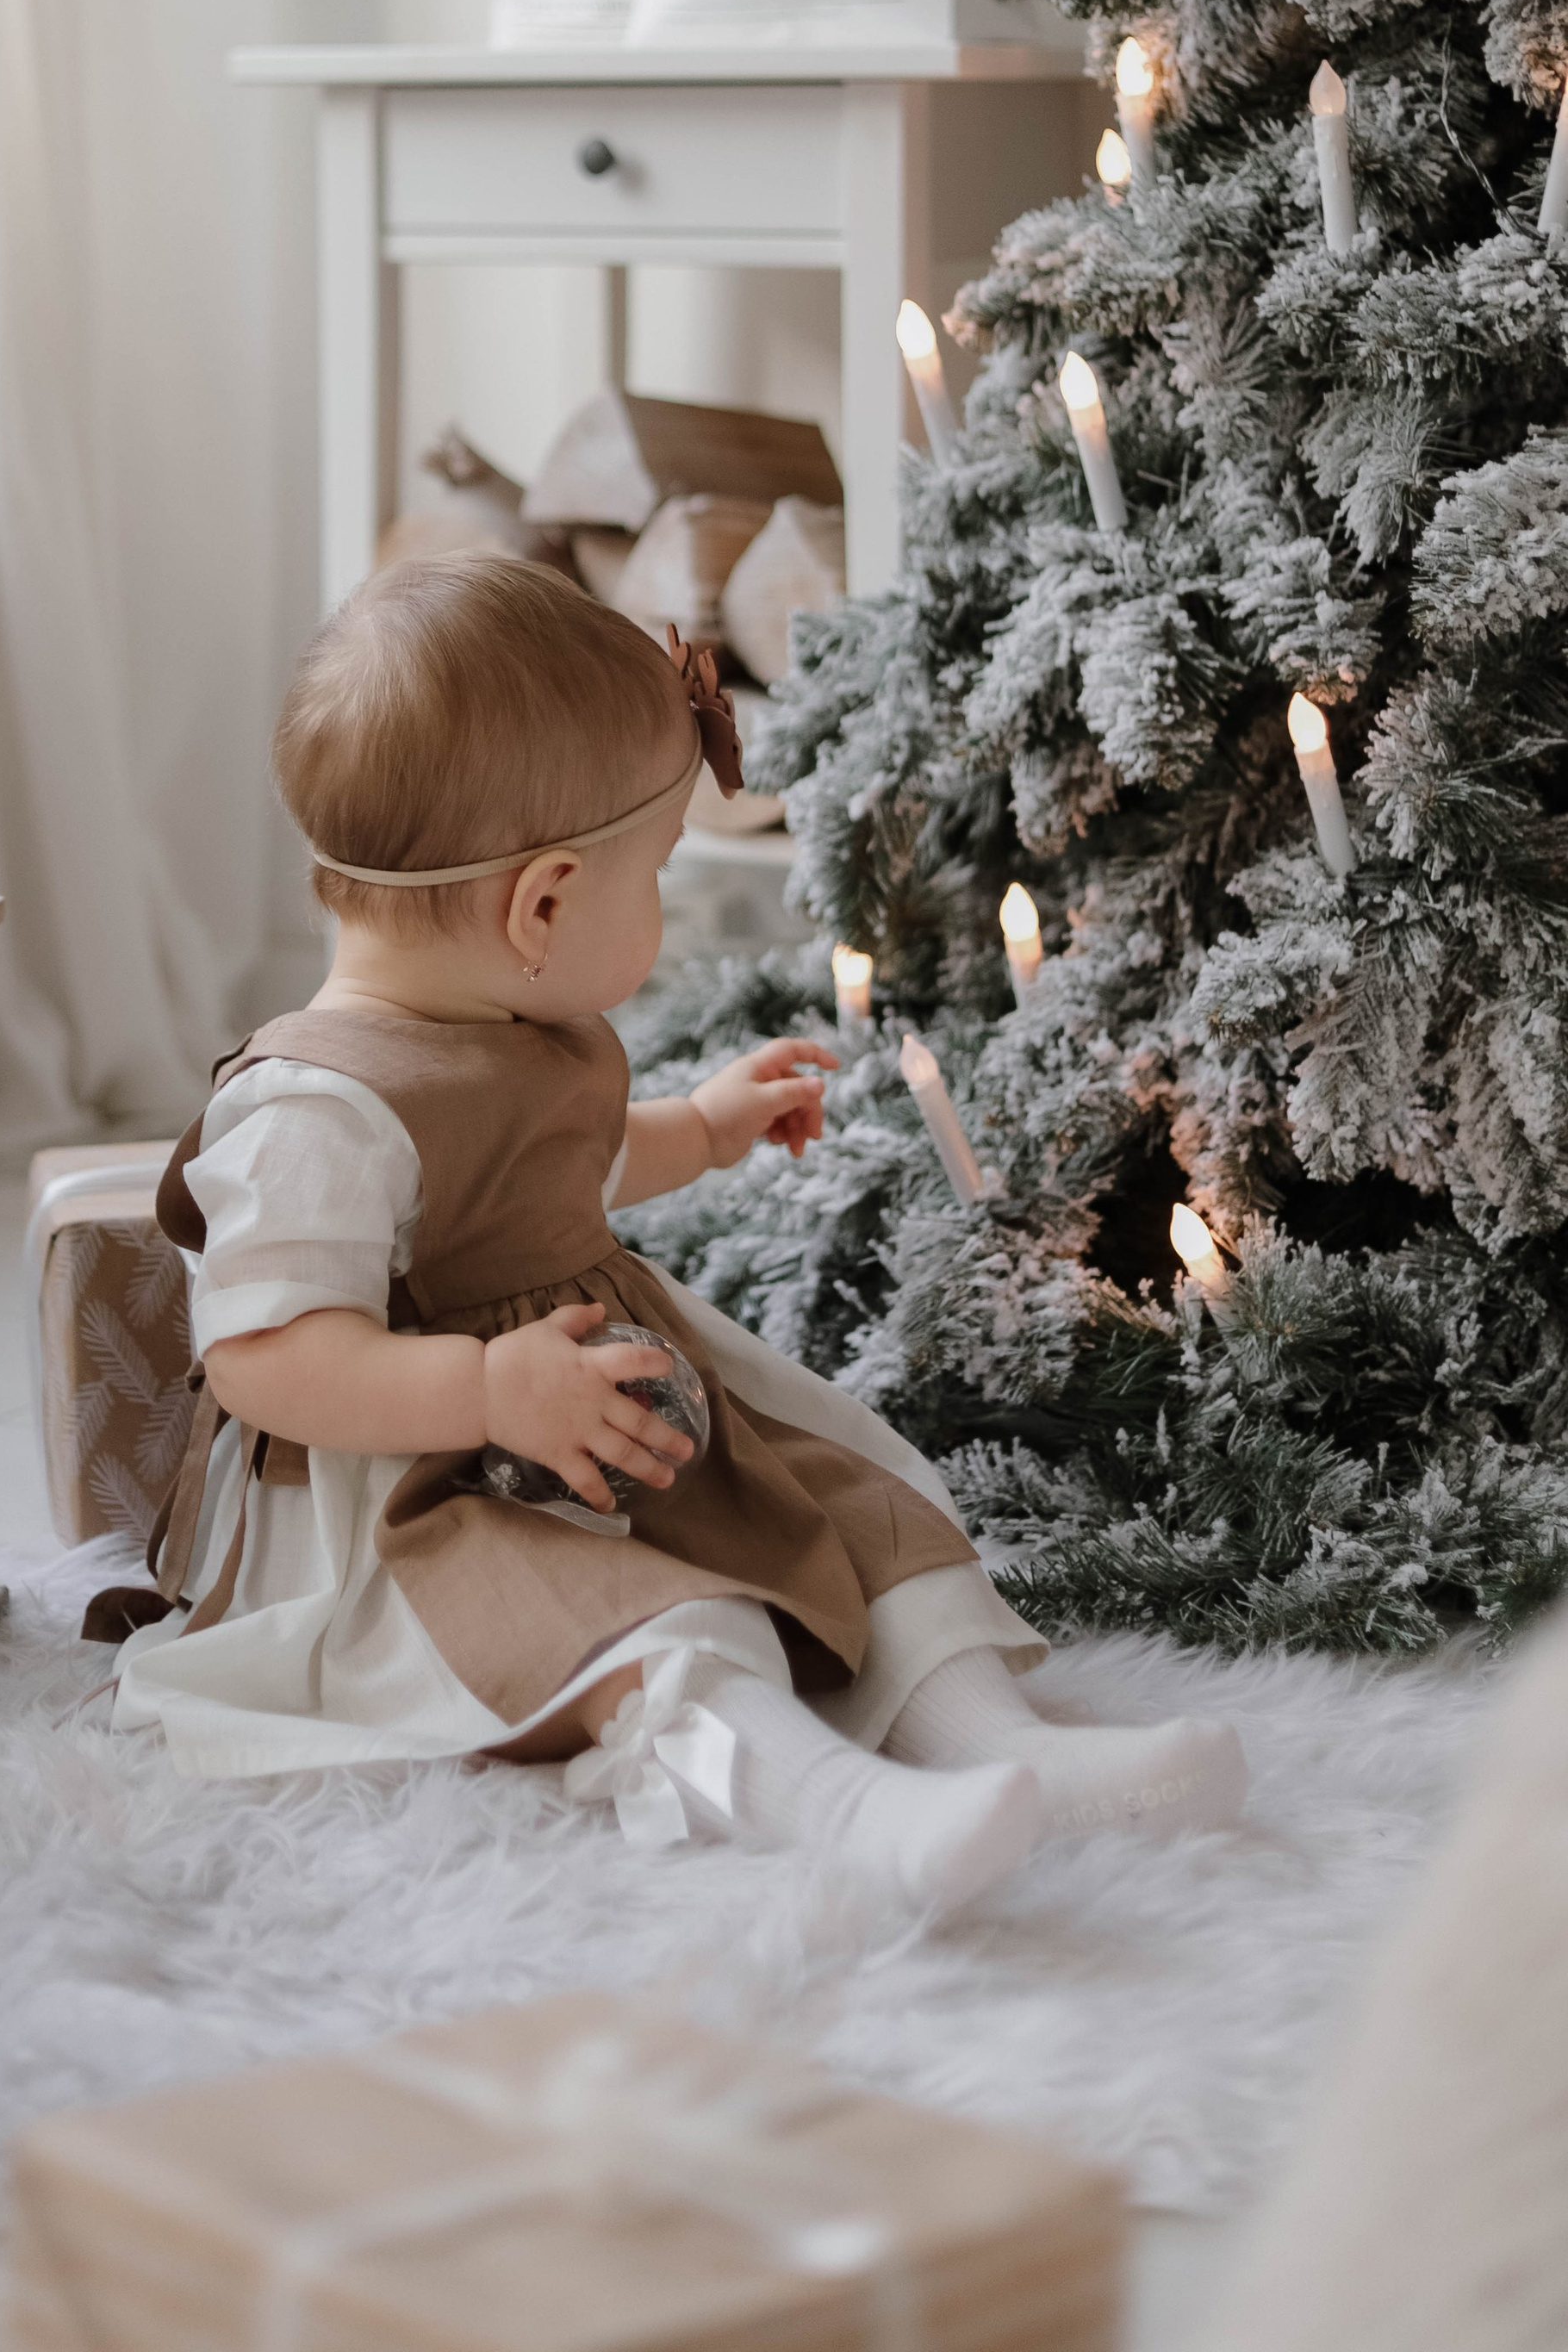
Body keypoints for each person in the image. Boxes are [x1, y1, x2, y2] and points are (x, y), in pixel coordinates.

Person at [103, 553, 1244, 1931]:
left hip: (597, 1405)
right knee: (638, 1619)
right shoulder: (314, 1111)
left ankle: (1000, 1743)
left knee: (848, 1497)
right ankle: (833, 1809)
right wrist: (483, 1389)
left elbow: (553, 1162)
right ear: (542, 907)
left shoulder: (514, 1027)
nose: (659, 910)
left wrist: (698, 1127)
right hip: (425, 1489)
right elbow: (267, 1358)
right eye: (650, 877)